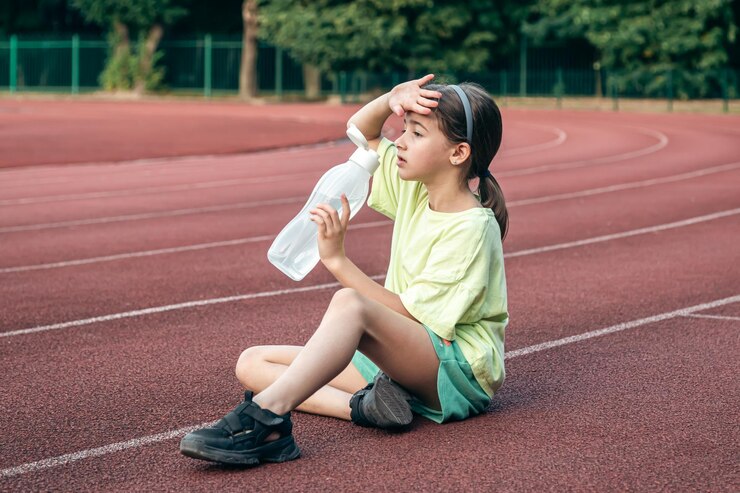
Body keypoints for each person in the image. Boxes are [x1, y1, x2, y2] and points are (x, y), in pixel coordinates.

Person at [179, 74, 509, 466]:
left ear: (458, 154)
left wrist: (337, 260)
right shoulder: (416, 189)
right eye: (404, 129)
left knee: (350, 304)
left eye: (416, 134)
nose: (399, 141)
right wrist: (392, 98)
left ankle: (265, 419)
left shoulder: (471, 227)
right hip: (408, 357)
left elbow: (412, 316)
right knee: (252, 363)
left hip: (455, 372)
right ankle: (363, 408)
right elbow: (361, 131)